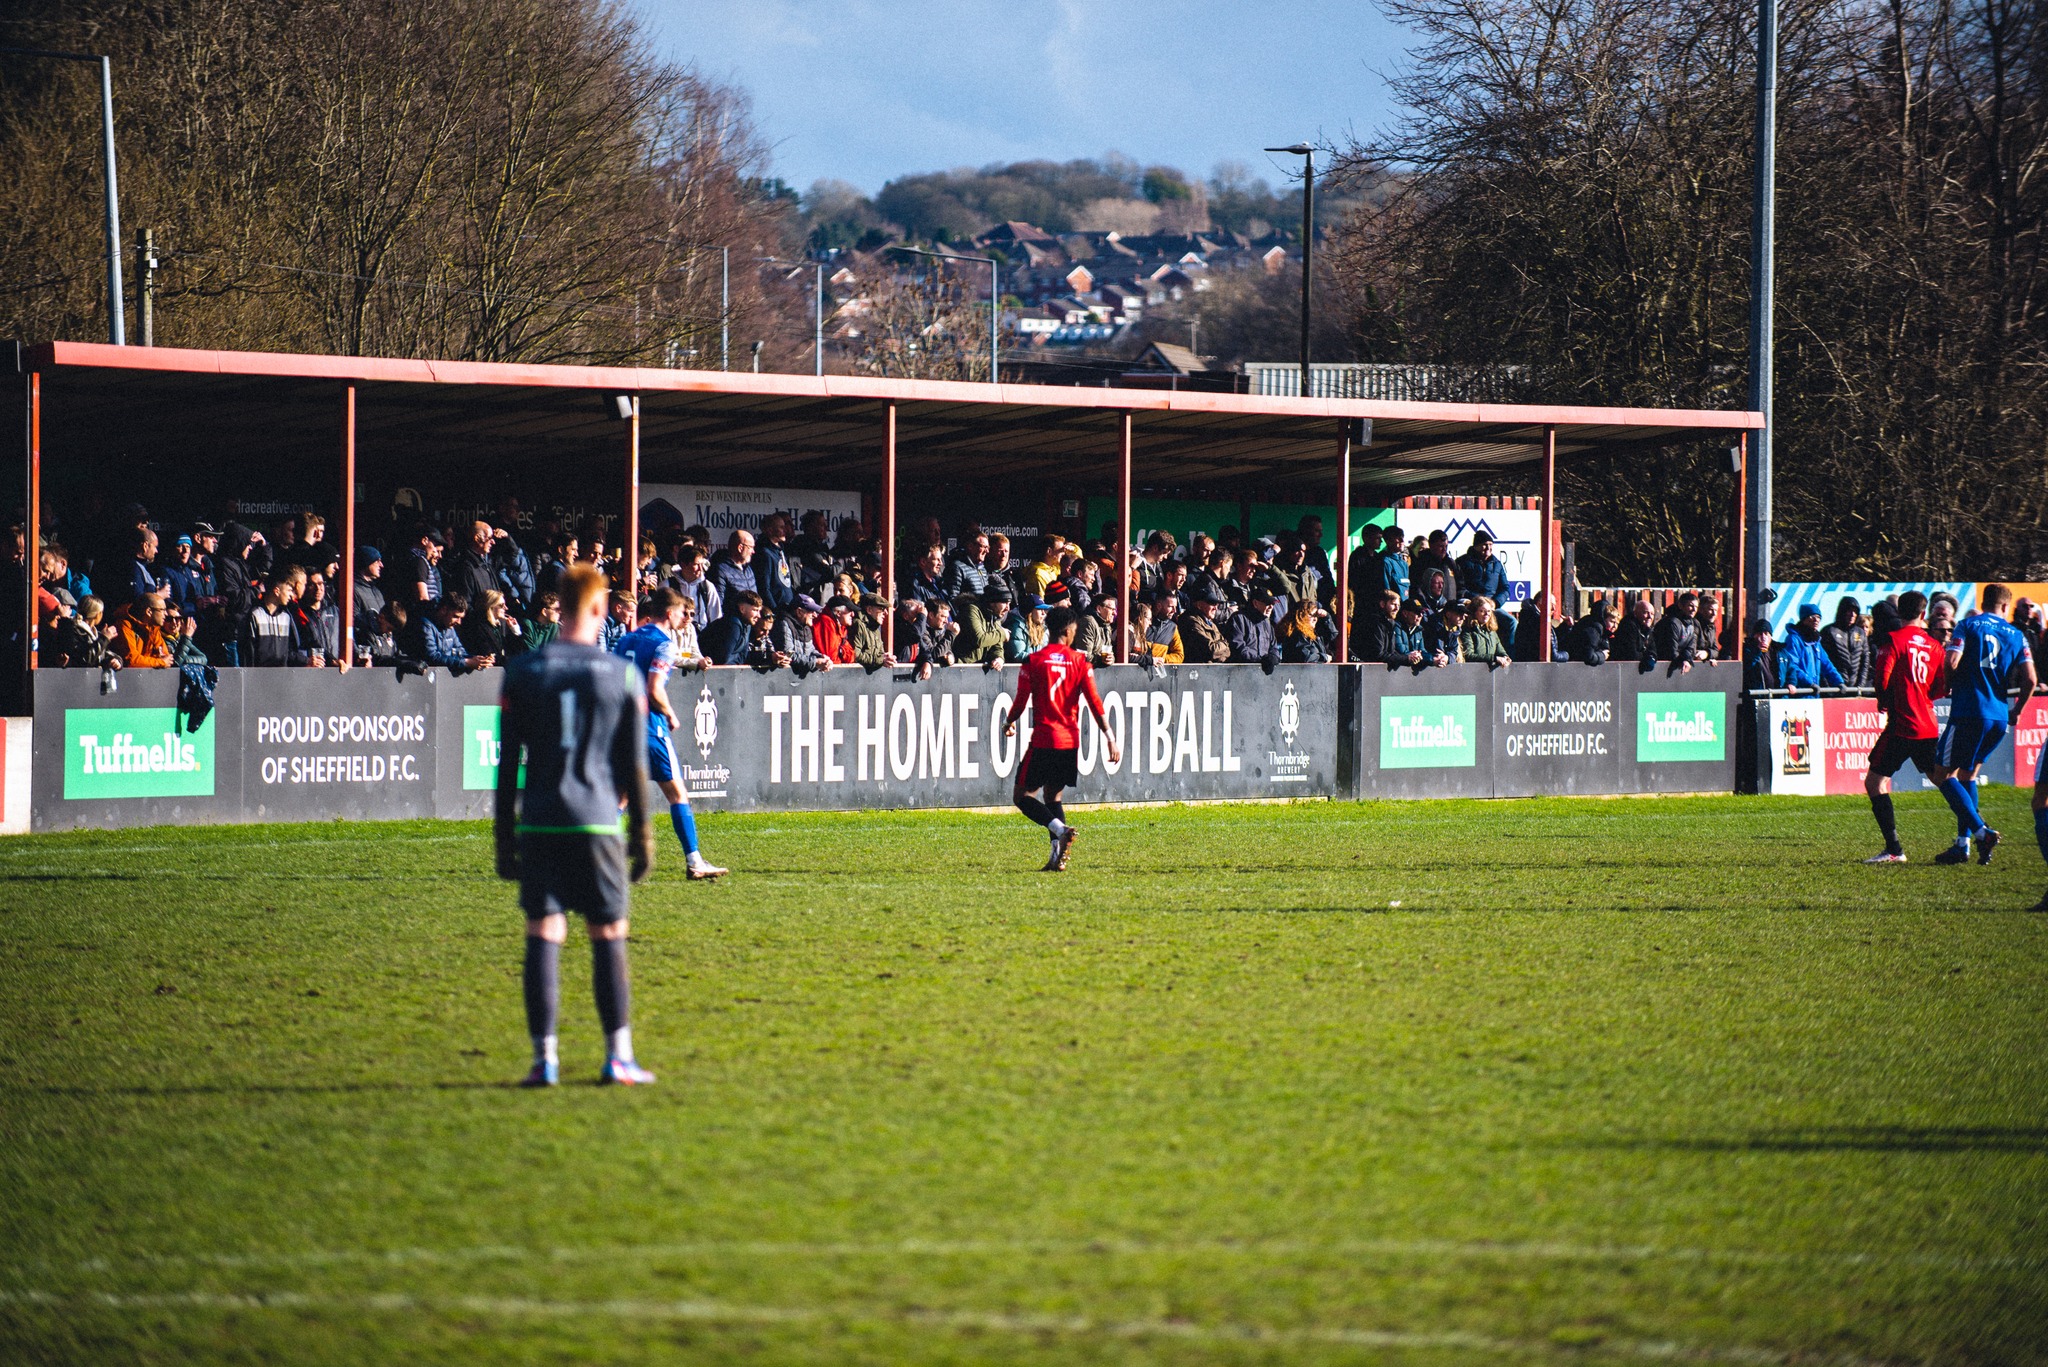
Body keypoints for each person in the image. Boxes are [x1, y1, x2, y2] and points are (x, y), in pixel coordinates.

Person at [496, 562, 658, 1088]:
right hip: (597, 824)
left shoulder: (521, 671)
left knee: (544, 931)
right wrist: (643, 837)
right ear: (598, 608)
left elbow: (506, 766)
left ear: (558, 606)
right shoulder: (622, 674)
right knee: (607, 931)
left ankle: (545, 1060)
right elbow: (634, 764)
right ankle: (618, 1057)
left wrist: (503, 837)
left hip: (540, 821)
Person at [614, 587, 726, 881]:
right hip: (649, 726)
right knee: (677, 794)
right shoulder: (665, 644)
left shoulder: (627, 638)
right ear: (668, 613)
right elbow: (654, 688)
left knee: (622, 797)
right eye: (681, 612)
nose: (684, 617)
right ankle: (695, 861)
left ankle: (592, 856)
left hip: (620, 724)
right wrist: (670, 713)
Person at [1002, 606, 1120, 872]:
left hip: (1044, 739)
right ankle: (1057, 859)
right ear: (1068, 631)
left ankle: (1060, 829)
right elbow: (1095, 702)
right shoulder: (1080, 662)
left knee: (1021, 796)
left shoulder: (1034, 661)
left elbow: (1021, 702)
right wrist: (1110, 737)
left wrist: (1009, 722)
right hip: (1069, 742)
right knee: (1052, 797)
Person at [1931, 583, 2037, 865]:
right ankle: (1962, 845)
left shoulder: (1968, 625)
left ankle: (1981, 831)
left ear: (1985, 601)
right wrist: (2017, 711)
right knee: (1968, 775)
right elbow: (2030, 680)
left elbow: (1951, 661)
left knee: (1942, 773)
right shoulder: (2017, 635)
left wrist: (1951, 686)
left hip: (1968, 711)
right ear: (2005, 606)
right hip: (1999, 715)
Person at [1862, 591, 1948, 864]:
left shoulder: (1894, 640)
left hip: (1902, 725)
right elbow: (1940, 688)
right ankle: (1975, 829)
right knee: (1942, 780)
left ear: (1899, 612)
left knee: (1874, 781)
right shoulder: (1935, 646)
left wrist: (1884, 700)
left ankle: (1894, 849)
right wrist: (1922, 698)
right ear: (1924, 615)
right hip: (1928, 724)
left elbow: (1882, 677)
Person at [1778, 604, 1845, 690]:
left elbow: (1826, 664)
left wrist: (1839, 682)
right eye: (1812, 616)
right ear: (1804, 618)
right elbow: (1792, 666)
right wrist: (1809, 683)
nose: (1816, 620)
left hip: (1813, 692)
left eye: (1818, 617)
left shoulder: (1816, 642)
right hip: (1800, 693)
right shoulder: (1794, 639)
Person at [1177, 581, 1234, 663]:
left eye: (1217, 604)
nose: (1215, 608)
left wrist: (1220, 650)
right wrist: (1224, 644)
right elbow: (1210, 651)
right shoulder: (1190, 621)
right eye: (1212, 603)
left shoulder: (1211, 624)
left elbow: (1228, 651)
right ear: (1199, 605)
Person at [1821, 598, 1872, 688]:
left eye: (1855, 612)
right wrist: (1828, 687)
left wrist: (1860, 686)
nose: (1852, 615)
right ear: (1842, 611)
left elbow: (1865, 662)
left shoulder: (1860, 633)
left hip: (1855, 688)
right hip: (1834, 688)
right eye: (1849, 611)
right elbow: (1823, 661)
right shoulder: (1829, 631)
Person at [1225, 584, 1279, 668]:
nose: (1271, 607)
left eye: (1273, 604)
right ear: (1255, 603)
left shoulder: (1267, 624)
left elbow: (1274, 648)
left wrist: (1273, 658)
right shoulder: (1238, 619)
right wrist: (1261, 660)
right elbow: (1238, 648)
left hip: (1262, 674)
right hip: (1241, 672)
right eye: (1267, 603)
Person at [1453, 532, 1511, 607]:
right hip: (1470, 606)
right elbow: (1460, 588)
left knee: (1511, 619)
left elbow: (1505, 588)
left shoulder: (1497, 564)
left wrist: (1495, 603)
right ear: (1476, 546)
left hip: (1491, 607)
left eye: (1490, 544)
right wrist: (1479, 600)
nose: (1488, 548)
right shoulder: (1462, 562)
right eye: (1485, 544)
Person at [1462, 597, 1512, 670]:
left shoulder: (1492, 631)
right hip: (1472, 672)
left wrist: (1505, 657)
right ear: (1474, 612)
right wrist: (1493, 658)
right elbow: (1469, 655)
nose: (1486, 614)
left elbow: (1500, 650)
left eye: (1489, 611)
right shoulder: (1467, 631)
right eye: (1482, 611)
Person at [1073, 592, 1118, 666]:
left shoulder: (1107, 626)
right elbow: (1083, 655)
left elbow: (1109, 652)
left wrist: (1111, 659)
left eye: (1115, 609)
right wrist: (1101, 660)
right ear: (1099, 609)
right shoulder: (1087, 622)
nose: (1115, 613)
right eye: (1111, 609)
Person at [1612, 598, 1658, 668]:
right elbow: (1631, 654)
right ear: (1635, 613)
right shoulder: (1628, 627)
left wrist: (1651, 658)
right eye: (1645, 612)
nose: (1649, 617)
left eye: (1652, 614)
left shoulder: (1648, 630)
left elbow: (1653, 651)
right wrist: (1646, 657)